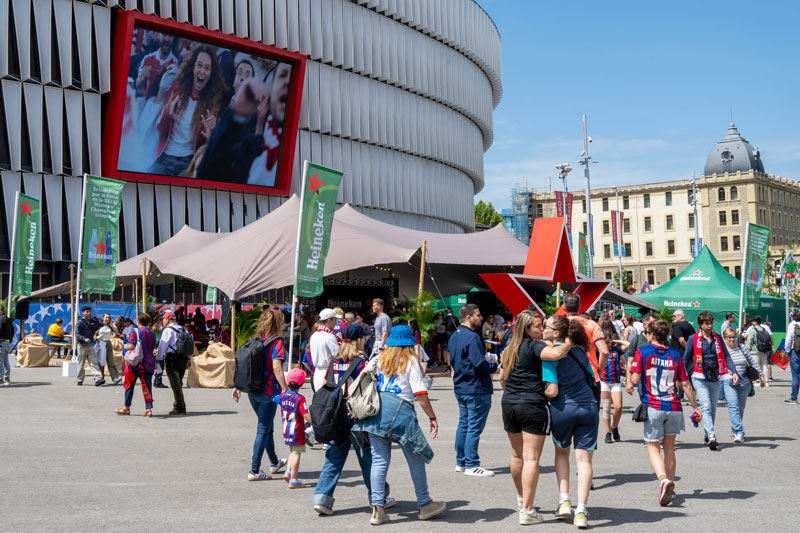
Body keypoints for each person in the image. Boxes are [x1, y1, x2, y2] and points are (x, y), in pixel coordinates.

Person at [355, 325, 446, 525]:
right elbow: (420, 394)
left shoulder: (379, 359)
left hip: (376, 412)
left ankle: (378, 509)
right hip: (401, 413)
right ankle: (424, 504)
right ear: (409, 343)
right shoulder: (410, 360)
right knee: (416, 458)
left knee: (379, 461)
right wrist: (432, 417)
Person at [314, 323, 396, 515]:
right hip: (355, 414)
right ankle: (378, 497)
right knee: (367, 457)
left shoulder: (335, 360)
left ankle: (322, 499)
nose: (366, 340)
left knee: (334, 458)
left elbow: (326, 383)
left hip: (335, 414)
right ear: (359, 339)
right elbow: (367, 389)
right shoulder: (361, 362)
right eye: (364, 337)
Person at [499, 311, 572, 525]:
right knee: (531, 458)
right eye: (538, 326)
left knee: (516, 455)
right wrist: (568, 342)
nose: (542, 330)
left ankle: (522, 499)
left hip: (509, 403)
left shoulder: (509, 349)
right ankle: (528, 511)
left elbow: (502, 378)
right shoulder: (534, 345)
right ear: (527, 329)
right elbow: (557, 355)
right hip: (531, 404)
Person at [629, 319, 701, 506]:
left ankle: (664, 480)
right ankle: (671, 486)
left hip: (653, 405)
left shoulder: (643, 352)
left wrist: (631, 377)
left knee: (653, 447)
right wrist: (694, 406)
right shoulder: (675, 355)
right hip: (674, 406)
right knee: (669, 448)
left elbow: (635, 379)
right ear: (667, 335)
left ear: (651, 335)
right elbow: (684, 383)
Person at [541, 315, 597, 529]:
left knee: (562, 453)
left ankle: (564, 500)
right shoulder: (580, 351)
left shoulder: (550, 356)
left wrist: (541, 393)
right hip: (588, 406)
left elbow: (552, 390)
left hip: (563, 408)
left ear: (556, 333)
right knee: (584, 460)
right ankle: (581, 511)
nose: (543, 328)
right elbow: (591, 376)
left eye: (546, 326)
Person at [149, 46, 226, 177]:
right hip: (165, 158)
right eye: (199, 66)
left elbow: (209, 147)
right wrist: (168, 116)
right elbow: (160, 129)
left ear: (211, 74)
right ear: (192, 68)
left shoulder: (212, 104)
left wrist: (210, 136)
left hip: (188, 163)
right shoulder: (177, 90)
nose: (202, 71)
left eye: (207, 68)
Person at [232, 309, 288, 480]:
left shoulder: (254, 339)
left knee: (267, 427)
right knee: (264, 429)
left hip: (252, 390)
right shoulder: (276, 342)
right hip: (269, 391)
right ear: (277, 323)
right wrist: (285, 390)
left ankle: (274, 462)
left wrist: (237, 386)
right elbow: (277, 367)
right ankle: (254, 470)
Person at [449, 303, 498, 477]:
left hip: (462, 386)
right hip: (476, 387)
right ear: (468, 317)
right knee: (473, 427)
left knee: (464, 425)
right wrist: (494, 366)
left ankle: (461, 462)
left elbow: (455, 361)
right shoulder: (472, 337)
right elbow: (480, 364)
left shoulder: (455, 335)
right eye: (478, 315)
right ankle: (471, 464)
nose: (481, 317)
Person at [682, 311, 740, 450]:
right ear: (700, 325)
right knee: (706, 406)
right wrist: (682, 375)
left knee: (713, 408)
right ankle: (712, 435)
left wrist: (734, 372)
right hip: (699, 376)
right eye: (706, 323)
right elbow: (686, 357)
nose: (709, 326)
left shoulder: (718, 338)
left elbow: (726, 356)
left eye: (711, 323)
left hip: (715, 375)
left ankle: (707, 433)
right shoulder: (693, 339)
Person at [722, 328, 765, 441]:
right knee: (733, 407)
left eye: (733, 337)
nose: (732, 339)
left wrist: (761, 375)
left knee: (740, 408)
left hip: (744, 382)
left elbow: (752, 361)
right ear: (724, 338)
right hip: (729, 382)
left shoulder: (742, 347)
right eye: (729, 337)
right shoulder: (722, 351)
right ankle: (739, 432)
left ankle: (735, 427)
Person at [272, 368, 312, 489]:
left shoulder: (283, 396)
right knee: (296, 454)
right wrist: (314, 421)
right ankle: (293, 479)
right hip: (297, 430)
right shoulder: (300, 399)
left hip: (286, 430)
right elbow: (305, 414)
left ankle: (288, 472)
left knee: (292, 452)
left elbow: (274, 399)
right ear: (301, 383)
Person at [116, 313, 157, 417]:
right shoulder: (151, 333)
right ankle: (148, 409)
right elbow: (152, 348)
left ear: (138, 322)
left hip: (136, 364)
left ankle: (126, 407)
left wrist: (124, 345)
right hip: (148, 363)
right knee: (147, 386)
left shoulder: (135, 331)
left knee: (129, 385)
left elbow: (131, 346)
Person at [563, 293, 609, 381]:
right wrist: (599, 370)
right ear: (579, 306)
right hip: (590, 373)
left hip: (566, 374)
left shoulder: (560, 324)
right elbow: (604, 351)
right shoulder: (591, 324)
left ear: (564, 308)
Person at [157, 311, 193, 415]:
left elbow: (163, 345)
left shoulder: (167, 330)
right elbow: (189, 343)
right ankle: (177, 405)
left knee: (175, 384)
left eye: (163, 319)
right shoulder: (182, 328)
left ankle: (180, 408)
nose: (163, 321)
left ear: (167, 319)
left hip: (172, 358)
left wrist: (159, 358)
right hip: (183, 358)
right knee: (178, 383)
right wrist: (189, 358)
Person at [599, 318, 627, 443]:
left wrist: (616, 340)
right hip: (603, 381)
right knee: (606, 408)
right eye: (606, 340)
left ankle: (614, 426)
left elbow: (629, 345)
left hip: (615, 381)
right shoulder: (599, 350)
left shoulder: (617, 349)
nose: (608, 342)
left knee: (618, 406)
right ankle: (607, 432)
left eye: (609, 339)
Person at [310, 308, 342, 390]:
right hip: (328, 373)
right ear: (329, 321)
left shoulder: (314, 335)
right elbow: (338, 355)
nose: (336, 322)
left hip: (317, 372)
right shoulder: (329, 336)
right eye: (335, 320)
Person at [625, 313, 655, 397]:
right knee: (645, 402)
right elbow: (630, 362)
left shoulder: (660, 339)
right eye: (653, 323)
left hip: (657, 377)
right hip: (642, 378)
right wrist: (628, 382)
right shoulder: (637, 340)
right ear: (645, 325)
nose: (656, 326)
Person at [75, 306, 103, 386]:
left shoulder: (92, 321)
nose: (88, 313)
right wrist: (84, 339)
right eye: (87, 312)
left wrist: (96, 319)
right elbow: (77, 334)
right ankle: (80, 379)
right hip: (82, 345)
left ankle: (98, 379)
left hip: (91, 345)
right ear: (83, 312)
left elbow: (101, 324)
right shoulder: (80, 322)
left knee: (94, 362)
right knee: (81, 364)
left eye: (89, 312)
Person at [745, 316, 773, 388]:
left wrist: (749, 349)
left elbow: (750, 340)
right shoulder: (764, 329)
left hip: (755, 350)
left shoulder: (753, 330)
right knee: (765, 365)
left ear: (755, 322)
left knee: (756, 366)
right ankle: (766, 381)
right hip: (764, 350)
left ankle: (758, 381)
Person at [94, 313, 121, 386]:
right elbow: (94, 334)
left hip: (108, 343)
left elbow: (117, 333)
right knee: (101, 361)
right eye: (106, 317)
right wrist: (96, 339)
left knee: (111, 361)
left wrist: (112, 325)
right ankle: (100, 378)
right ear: (103, 318)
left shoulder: (110, 326)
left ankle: (115, 378)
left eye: (108, 317)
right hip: (101, 343)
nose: (107, 319)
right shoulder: (98, 325)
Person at [786, 311, 800, 404]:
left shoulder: (792, 326)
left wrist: (787, 351)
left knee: (795, 376)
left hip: (796, 352)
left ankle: (794, 398)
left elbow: (788, 340)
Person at [0, 305, 13, 385]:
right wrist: (9, 340)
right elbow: (12, 330)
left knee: (0, 362)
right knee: (6, 361)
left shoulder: (0, 319)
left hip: (1, 342)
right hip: (7, 342)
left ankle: (0, 380)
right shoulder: (8, 319)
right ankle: (7, 379)